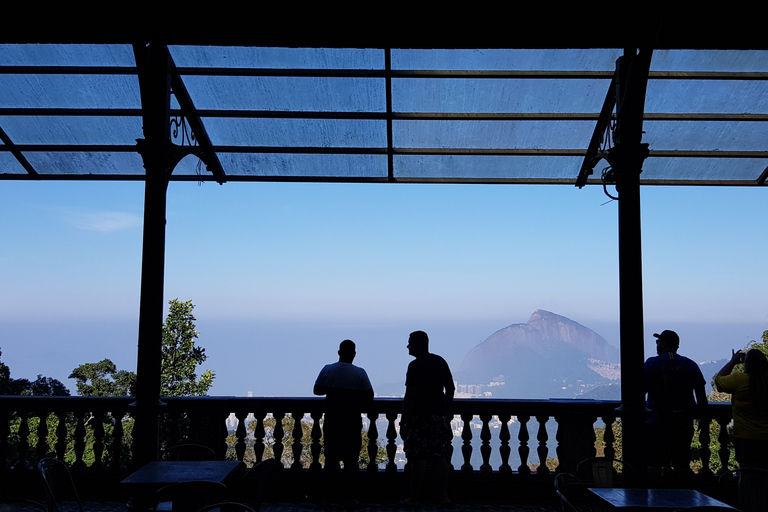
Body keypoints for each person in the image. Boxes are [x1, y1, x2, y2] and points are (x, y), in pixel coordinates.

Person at [314, 339, 374, 507]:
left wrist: (333, 390)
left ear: (339, 352)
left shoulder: (328, 370)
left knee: (331, 460)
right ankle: (350, 496)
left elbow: (317, 390)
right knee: (351, 461)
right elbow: (369, 395)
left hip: (332, 421)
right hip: (352, 421)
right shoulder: (360, 373)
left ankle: (328, 496)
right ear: (354, 354)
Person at [400, 330, 455, 506]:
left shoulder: (414, 366)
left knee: (418, 459)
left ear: (418, 344)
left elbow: (410, 395)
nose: (407, 346)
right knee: (439, 458)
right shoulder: (440, 362)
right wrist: (446, 409)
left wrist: (404, 420)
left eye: (410, 343)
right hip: (438, 418)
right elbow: (451, 388)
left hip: (419, 418)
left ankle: (415, 497)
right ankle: (444, 497)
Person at [644, 329, 707, 477]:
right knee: (682, 463)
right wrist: (703, 421)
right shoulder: (690, 365)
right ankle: (682, 496)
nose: (657, 344)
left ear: (664, 344)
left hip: (656, 423)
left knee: (654, 464)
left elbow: (638, 391)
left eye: (658, 342)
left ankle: (653, 497)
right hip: (683, 424)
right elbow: (702, 399)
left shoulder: (652, 364)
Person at [714, 348, 768, 512]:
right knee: (764, 475)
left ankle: (746, 508)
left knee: (746, 475)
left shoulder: (740, 380)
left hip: (745, 438)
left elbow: (719, 381)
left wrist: (732, 362)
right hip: (766, 439)